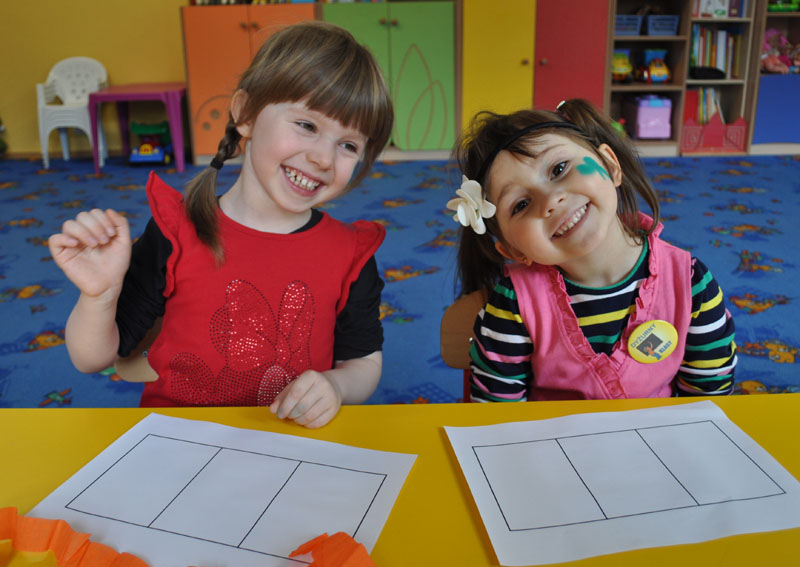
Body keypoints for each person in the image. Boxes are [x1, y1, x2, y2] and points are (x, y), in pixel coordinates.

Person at [48, 22, 394, 427]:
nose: (323, 158)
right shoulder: (176, 233)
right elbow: (91, 359)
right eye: (307, 125)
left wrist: (337, 385)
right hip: (180, 441)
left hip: (289, 441)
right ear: (245, 114)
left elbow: (363, 363)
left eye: (348, 145)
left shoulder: (351, 254)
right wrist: (100, 297)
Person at [447, 99, 736, 402]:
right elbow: (499, 416)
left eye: (559, 169)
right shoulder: (513, 306)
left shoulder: (690, 285)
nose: (551, 200)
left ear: (610, 165)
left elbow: (708, 403)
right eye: (521, 204)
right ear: (513, 250)